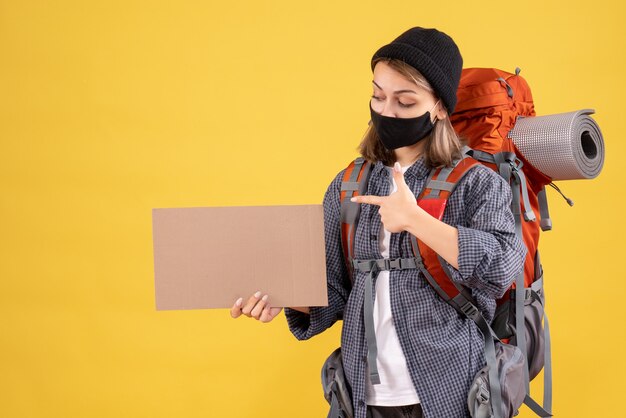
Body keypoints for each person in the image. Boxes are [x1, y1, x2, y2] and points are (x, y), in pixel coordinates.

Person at [230, 27, 526, 418]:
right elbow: (333, 292)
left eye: (405, 101)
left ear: (439, 107)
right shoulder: (349, 183)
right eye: (378, 95)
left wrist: (416, 220)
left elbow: (503, 266)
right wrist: (284, 296)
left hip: (452, 386)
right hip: (362, 393)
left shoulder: (476, 182)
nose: (386, 112)